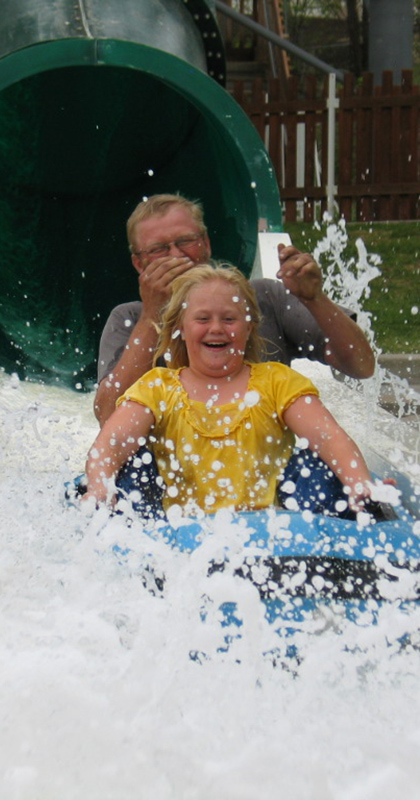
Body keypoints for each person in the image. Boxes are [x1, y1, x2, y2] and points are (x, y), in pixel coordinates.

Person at [84, 265, 375, 518]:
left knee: (315, 465)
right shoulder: (158, 388)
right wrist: (99, 488)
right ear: (181, 328)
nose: (216, 328)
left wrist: (359, 482)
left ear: (248, 327)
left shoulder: (276, 381)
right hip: (182, 539)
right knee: (132, 467)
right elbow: (112, 441)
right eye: (202, 319)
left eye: (229, 319)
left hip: (271, 539)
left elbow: (328, 435)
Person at [94, 194, 375, 428]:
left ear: (205, 243)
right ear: (139, 264)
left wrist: (315, 299)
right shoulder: (129, 319)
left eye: (185, 241)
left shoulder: (265, 297)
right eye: (158, 249)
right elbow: (108, 418)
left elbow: (361, 366)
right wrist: (152, 315)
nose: (176, 255)